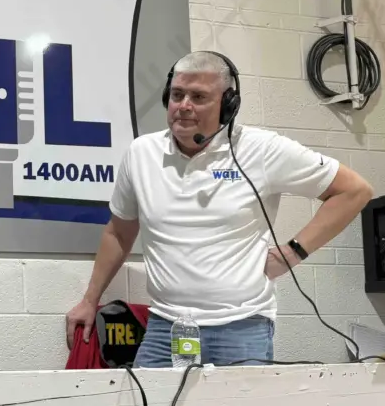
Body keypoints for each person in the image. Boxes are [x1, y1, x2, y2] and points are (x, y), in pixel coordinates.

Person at [66, 51, 373, 368]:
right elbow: (119, 232)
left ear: (229, 105)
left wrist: (293, 251)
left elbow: (354, 191)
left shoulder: (261, 150)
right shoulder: (142, 153)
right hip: (167, 325)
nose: (184, 105)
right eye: (176, 95)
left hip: (242, 327)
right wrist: (90, 300)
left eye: (198, 97)